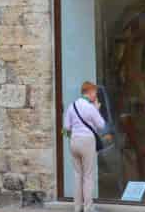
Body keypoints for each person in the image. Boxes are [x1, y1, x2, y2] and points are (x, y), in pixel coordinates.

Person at [62, 81, 107, 212]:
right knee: (88, 175)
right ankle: (88, 207)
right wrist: (97, 109)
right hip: (87, 141)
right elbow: (101, 125)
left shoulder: (72, 106)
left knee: (77, 175)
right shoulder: (90, 107)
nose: (96, 96)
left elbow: (65, 129)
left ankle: (77, 207)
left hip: (74, 141)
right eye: (95, 93)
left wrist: (73, 137)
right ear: (90, 92)